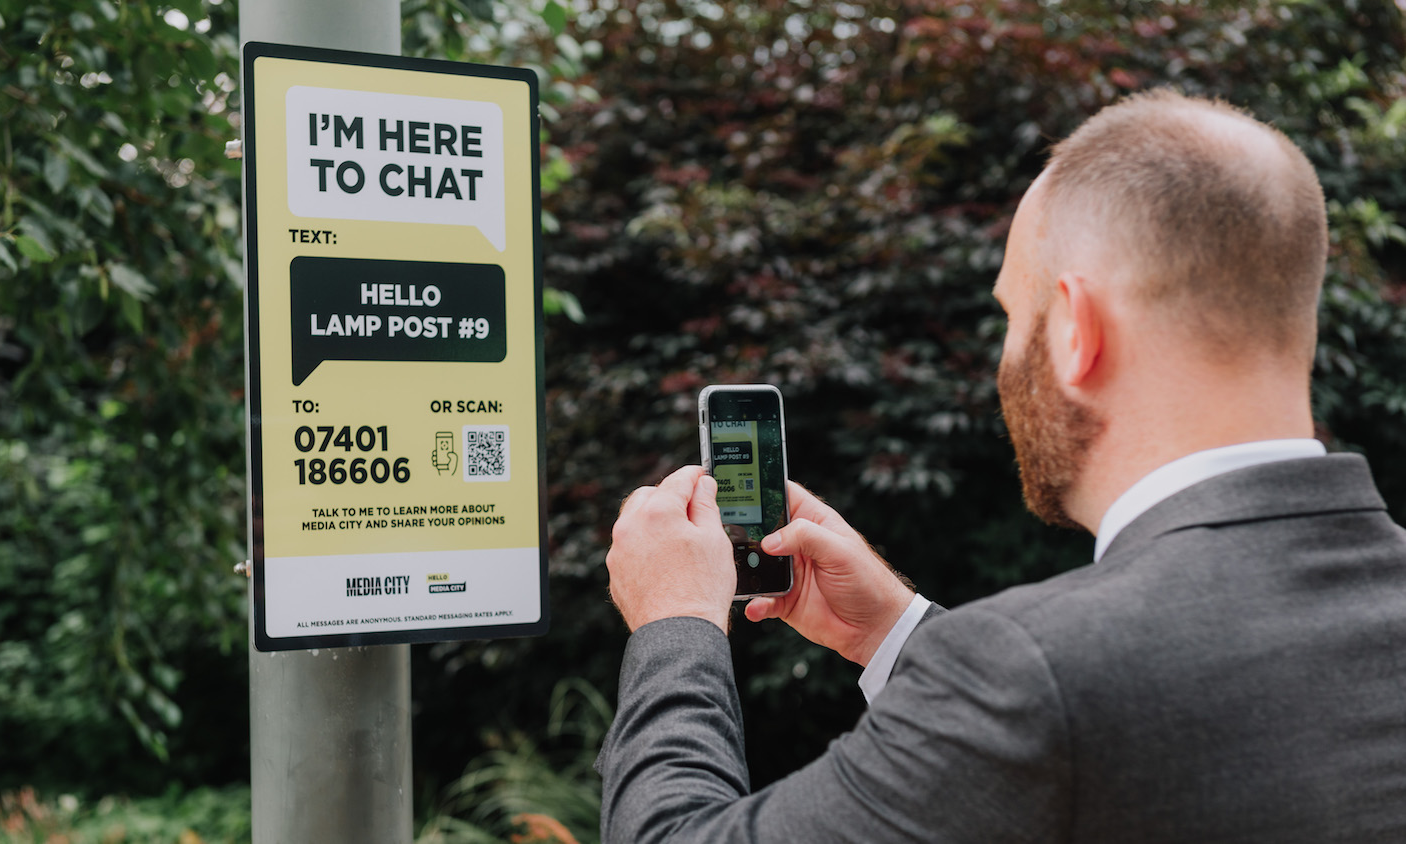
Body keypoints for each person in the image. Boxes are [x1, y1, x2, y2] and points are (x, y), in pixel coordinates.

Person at [598, 89, 1406, 843]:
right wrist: (891, 633)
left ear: (1075, 331)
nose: (1004, 356)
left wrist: (678, 622)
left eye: (1016, 315)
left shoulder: (1024, 672)